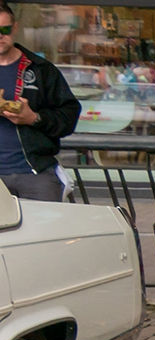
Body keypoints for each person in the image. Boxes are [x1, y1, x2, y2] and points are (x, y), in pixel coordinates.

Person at [0, 1, 82, 201]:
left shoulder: (41, 69)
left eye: (5, 29)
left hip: (35, 173)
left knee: (46, 231)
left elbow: (69, 117)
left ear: (15, 28)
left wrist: (34, 118)